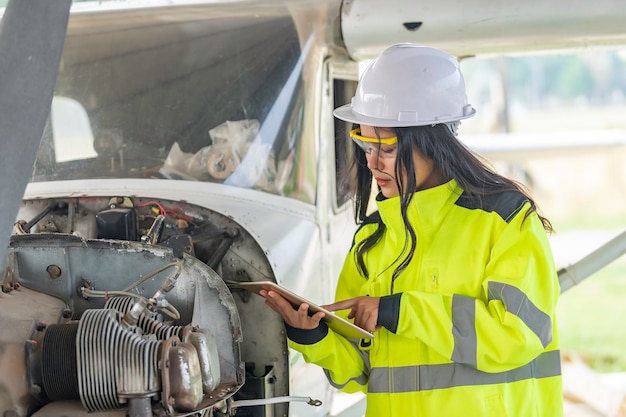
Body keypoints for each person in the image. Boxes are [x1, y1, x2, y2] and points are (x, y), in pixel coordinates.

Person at [260, 43, 563, 416]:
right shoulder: (373, 241)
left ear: (433, 142)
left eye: (385, 146)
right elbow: (358, 371)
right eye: (364, 143)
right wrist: (313, 336)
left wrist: (402, 311)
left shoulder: (504, 220)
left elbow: (518, 335)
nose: (371, 162)